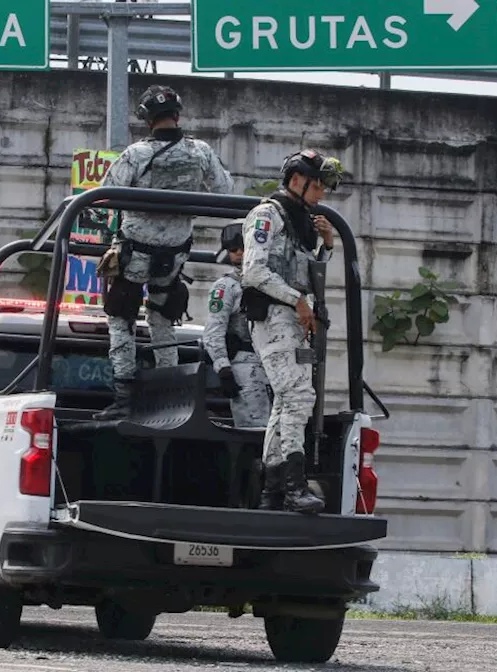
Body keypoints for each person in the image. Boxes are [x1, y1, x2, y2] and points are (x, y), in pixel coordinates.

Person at [93, 84, 234, 421]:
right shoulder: (200, 152)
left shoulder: (136, 154)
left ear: (146, 119)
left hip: (135, 254)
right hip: (175, 255)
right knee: (162, 316)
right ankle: (170, 397)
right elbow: (226, 192)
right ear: (177, 114)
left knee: (121, 318)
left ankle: (124, 399)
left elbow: (103, 195)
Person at [239, 149, 347, 513]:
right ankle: (294, 486)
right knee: (299, 396)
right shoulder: (267, 215)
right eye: (318, 186)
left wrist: (326, 245)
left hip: (295, 320)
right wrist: (297, 300)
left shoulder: (301, 220)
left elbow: (306, 272)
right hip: (272, 317)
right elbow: (253, 272)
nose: (322, 195)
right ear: (298, 180)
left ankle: (272, 490)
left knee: (286, 402)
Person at [202, 219, 272, 429]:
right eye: (233, 249)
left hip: (275, 363)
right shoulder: (226, 287)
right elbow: (214, 331)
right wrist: (223, 369)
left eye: (243, 247)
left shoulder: (273, 282)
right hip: (246, 365)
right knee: (255, 430)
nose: (239, 253)